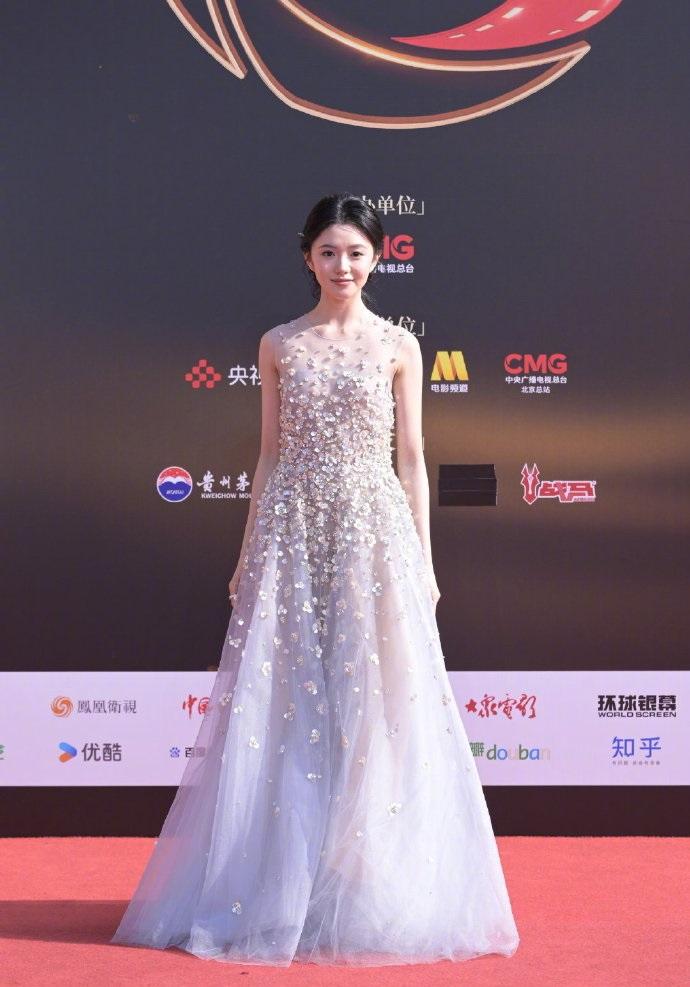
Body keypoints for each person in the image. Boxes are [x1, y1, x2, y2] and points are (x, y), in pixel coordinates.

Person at [111, 192, 520, 966]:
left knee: (375, 706)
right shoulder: (279, 344)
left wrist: (425, 560)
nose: (343, 266)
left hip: (373, 535)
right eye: (329, 252)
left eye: (356, 253)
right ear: (308, 257)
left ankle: (367, 886)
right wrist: (247, 551)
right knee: (289, 702)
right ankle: (275, 887)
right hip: (293, 532)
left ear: (378, 259)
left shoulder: (399, 345)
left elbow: (411, 459)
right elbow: (269, 454)